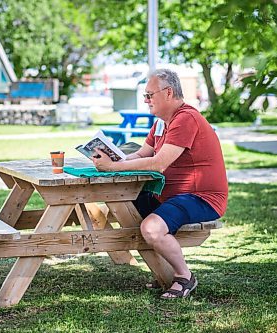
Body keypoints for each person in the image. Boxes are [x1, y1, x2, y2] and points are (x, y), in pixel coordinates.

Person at [92, 68, 228, 299]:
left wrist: (113, 168)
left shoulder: (186, 118)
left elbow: (158, 163)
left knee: (151, 228)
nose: (146, 100)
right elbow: (141, 154)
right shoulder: (162, 123)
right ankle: (162, 271)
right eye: (145, 95)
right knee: (122, 203)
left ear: (168, 92)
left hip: (202, 198)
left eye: (149, 95)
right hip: (170, 195)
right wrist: (111, 157)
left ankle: (185, 277)